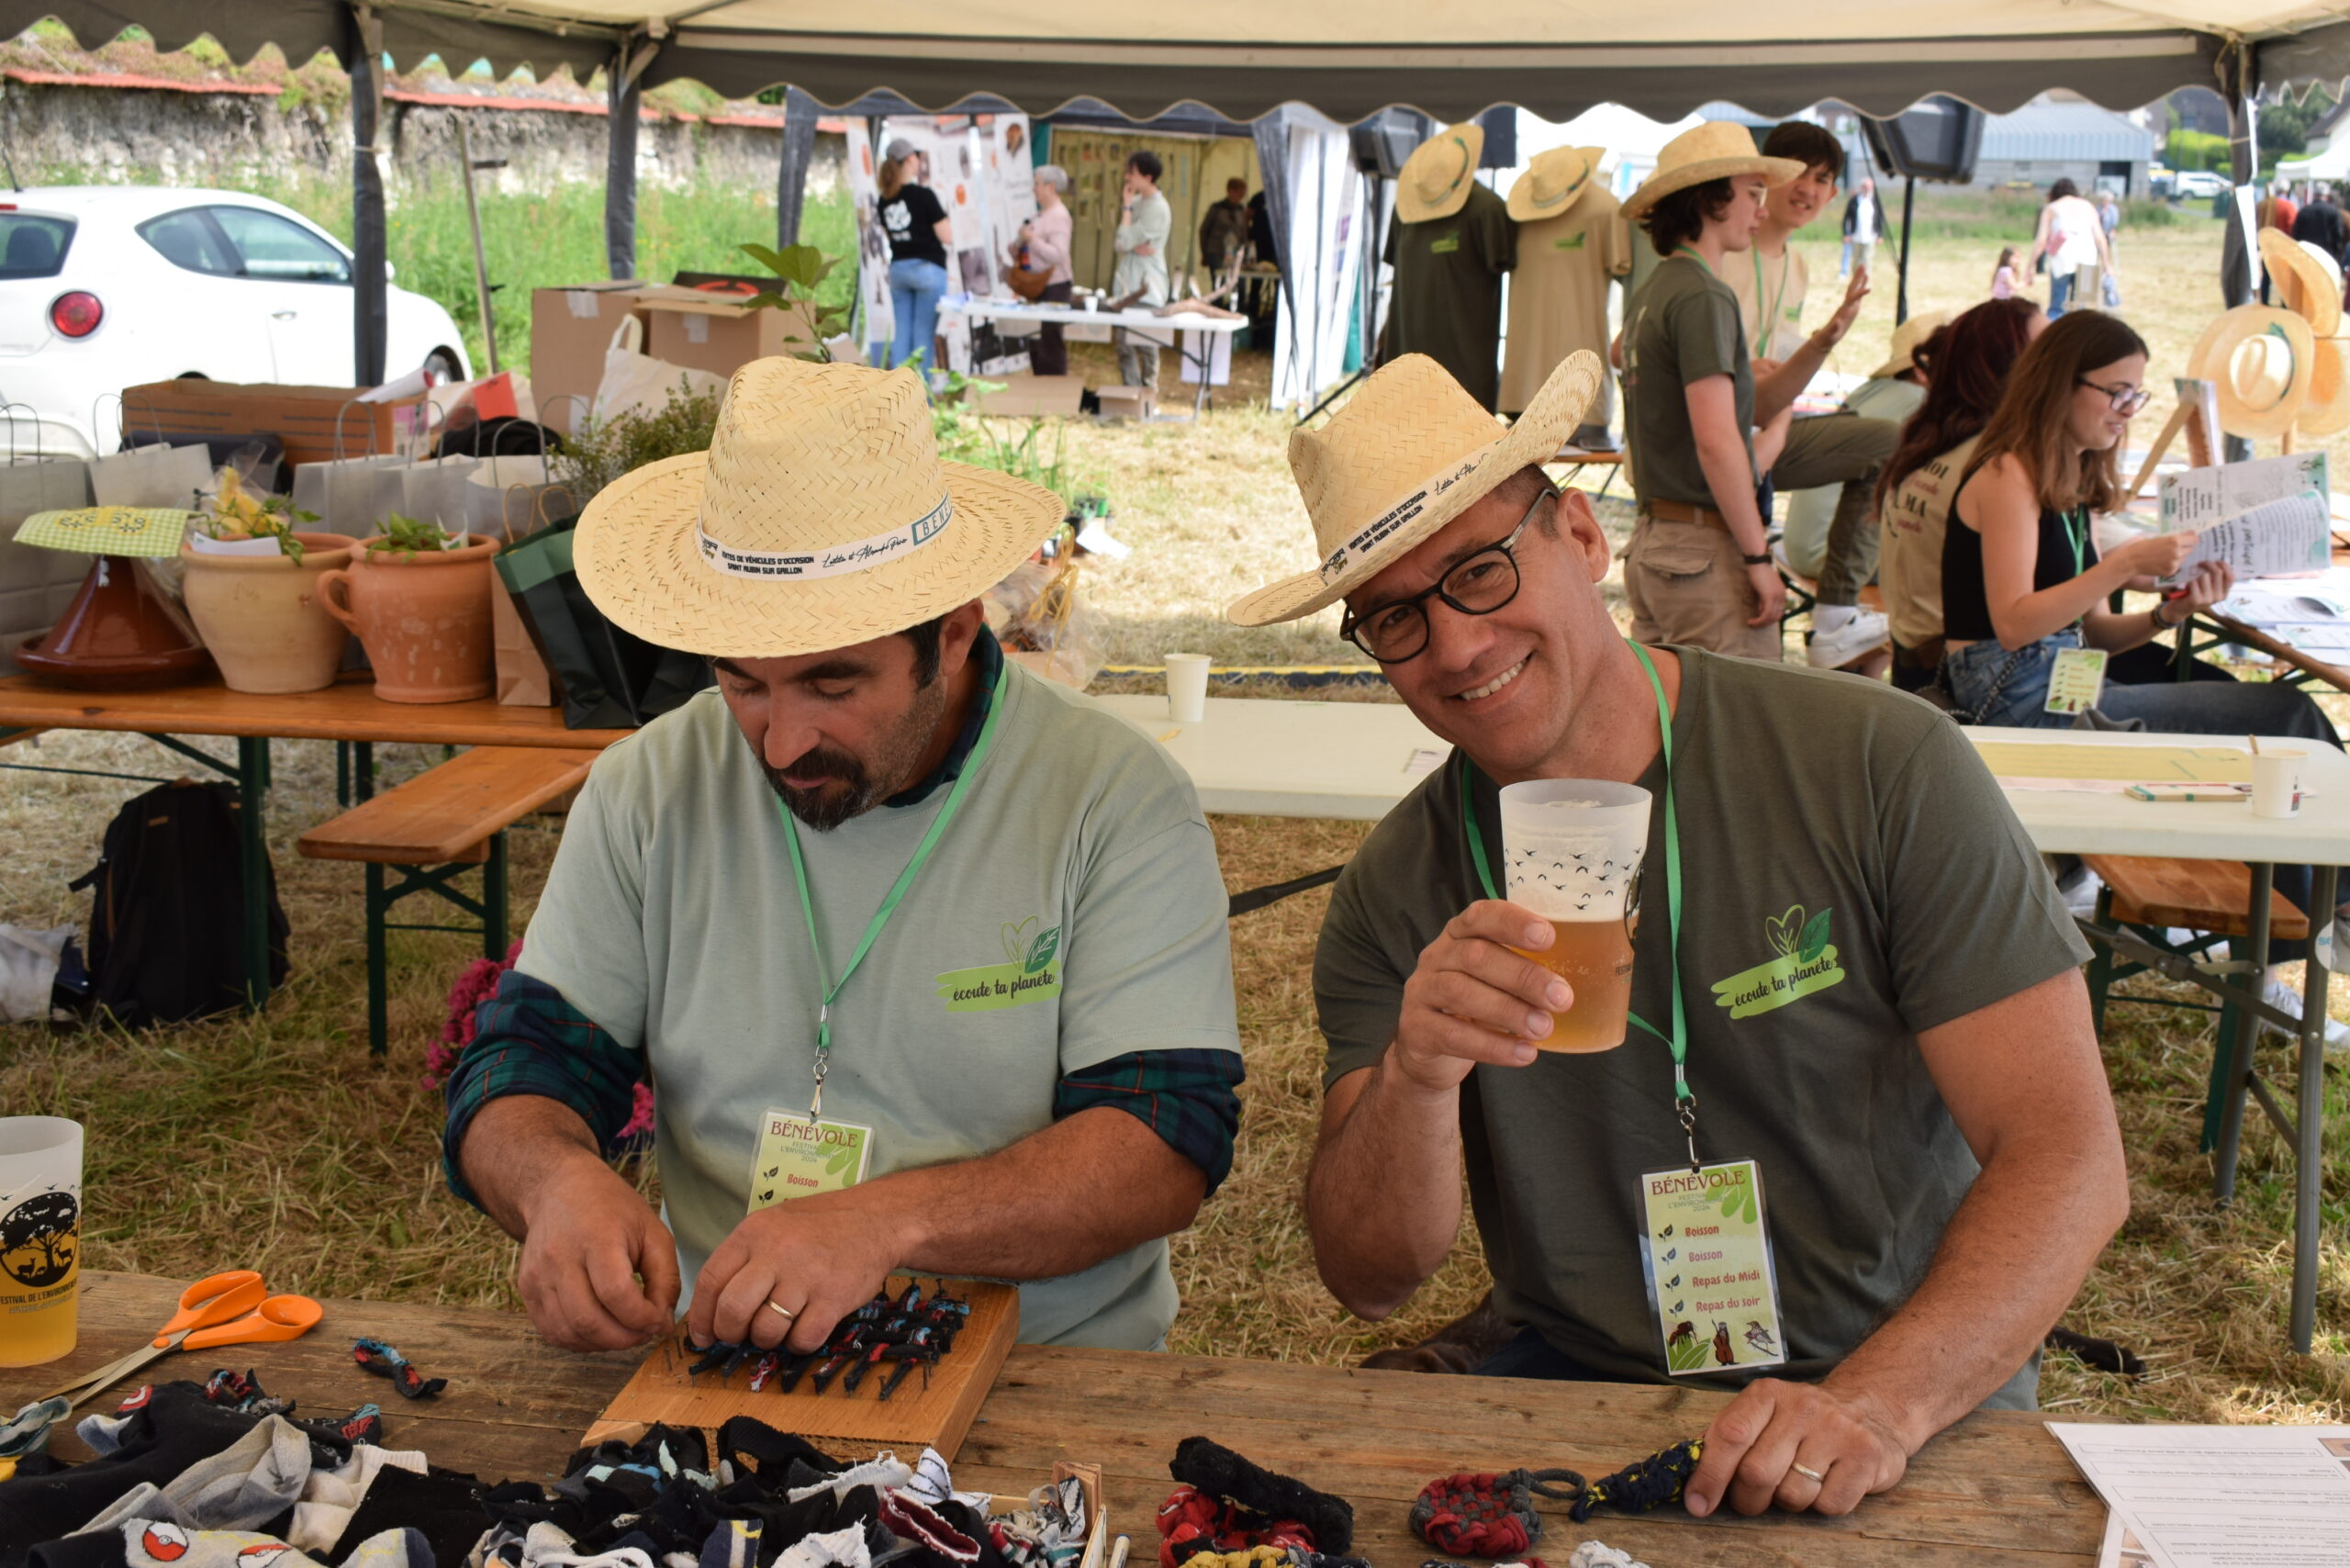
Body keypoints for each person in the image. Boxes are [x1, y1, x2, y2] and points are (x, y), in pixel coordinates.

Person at [1224, 347, 2129, 1521]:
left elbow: (2068, 1157)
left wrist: (1876, 1404)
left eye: (1480, 572)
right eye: (1394, 617)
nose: (1451, 646)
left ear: (1585, 542)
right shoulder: (1400, 887)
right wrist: (1415, 1075)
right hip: (1582, 1379)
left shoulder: (1872, 765)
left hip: (1892, 1375)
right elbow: (1370, 1276)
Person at [442, 355, 1246, 1356]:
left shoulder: (1111, 799)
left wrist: (887, 1221)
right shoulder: (649, 786)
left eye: (831, 686)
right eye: (743, 685)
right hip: (731, 1357)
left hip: (1044, 1365)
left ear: (953, 632)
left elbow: (1164, 1144)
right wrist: (554, 1181)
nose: (780, 745)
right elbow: (523, 1060)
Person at [1617, 121, 1863, 663]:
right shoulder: (1705, 295)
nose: (1760, 208)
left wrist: (1823, 342)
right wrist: (1757, 557)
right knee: (1739, 732)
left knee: (1671, 733)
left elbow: (1744, 413)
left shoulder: (1657, 288)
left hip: (1656, 542)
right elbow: (1718, 441)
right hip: (1702, 548)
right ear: (1710, 198)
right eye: (1752, 193)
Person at [1725, 121, 1899, 670]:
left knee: (1890, 441)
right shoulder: (1725, 249)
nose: (1809, 189)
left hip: (1769, 428)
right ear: (1766, 175)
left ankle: (1834, 616)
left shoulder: (1796, 264)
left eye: (1824, 179)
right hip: (1720, 438)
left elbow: (1775, 367)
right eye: (1798, 172)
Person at [1875, 297, 2044, 691]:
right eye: (2044, 352)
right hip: (1963, 678)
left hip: (1916, 664)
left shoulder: (1932, 440)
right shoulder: (1998, 464)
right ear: (2008, 367)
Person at [877, 140, 957, 374]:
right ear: (911, 160)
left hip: (899, 269)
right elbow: (946, 236)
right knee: (923, 336)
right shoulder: (924, 195)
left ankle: (897, 398)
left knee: (902, 334)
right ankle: (920, 400)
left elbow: (889, 235)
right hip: (928, 270)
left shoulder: (884, 198)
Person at [1113, 151, 1173, 390]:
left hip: (1148, 285)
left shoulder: (1157, 208)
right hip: (1128, 282)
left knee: (1147, 342)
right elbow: (1121, 243)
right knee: (1123, 342)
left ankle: (1148, 392)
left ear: (1148, 177)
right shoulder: (1136, 203)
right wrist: (1127, 209)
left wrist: (1126, 213)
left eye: (1132, 173)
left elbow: (1125, 241)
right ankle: (1131, 391)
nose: (1127, 177)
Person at [1014, 164, 1076, 375]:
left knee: (1050, 342)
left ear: (1051, 187)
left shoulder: (1058, 216)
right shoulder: (1040, 215)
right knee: (1037, 342)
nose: (1034, 189)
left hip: (1055, 287)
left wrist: (1032, 240)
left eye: (1037, 184)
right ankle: (1041, 391)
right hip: (1038, 286)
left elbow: (1058, 255)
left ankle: (1054, 393)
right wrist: (1019, 243)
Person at [2030, 180, 2113, 319]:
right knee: (2081, 308)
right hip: (2087, 259)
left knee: (2057, 307)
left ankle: (2054, 338)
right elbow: (2100, 238)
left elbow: (2041, 240)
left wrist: (2031, 266)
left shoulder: (2051, 208)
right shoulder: (2088, 207)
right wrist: (2107, 264)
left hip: (2062, 260)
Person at [1200, 176, 1253, 278]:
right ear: (1230, 191)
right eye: (1239, 193)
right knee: (1219, 281)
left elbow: (1243, 233)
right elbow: (1204, 230)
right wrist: (1205, 253)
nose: (1241, 196)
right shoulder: (1216, 209)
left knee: (1240, 283)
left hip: (1236, 253)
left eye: (1243, 194)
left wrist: (1245, 253)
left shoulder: (1241, 210)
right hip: (1217, 251)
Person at [2291, 182, 2348, 267]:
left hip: (2307, 255)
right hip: (2327, 256)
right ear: (2327, 196)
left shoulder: (2304, 211)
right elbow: (2338, 236)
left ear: (2314, 195)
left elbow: (2296, 234)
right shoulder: (2333, 212)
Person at [1841, 175, 1880, 277]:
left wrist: (1880, 234)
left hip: (1870, 236)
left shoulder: (1874, 201)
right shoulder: (1854, 200)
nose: (1868, 189)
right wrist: (1846, 234)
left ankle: (1866, 281)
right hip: (1856, 236)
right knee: (1856, 260)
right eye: (1866, 187)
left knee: (1868, 259)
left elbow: (1880, 218)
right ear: (1862, 187)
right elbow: (1846, 218)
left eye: (1870, 187)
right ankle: (1855, 279)